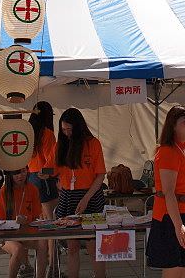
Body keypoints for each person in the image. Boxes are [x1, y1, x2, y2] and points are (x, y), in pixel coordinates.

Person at [146, 104, 185, 277]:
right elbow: (168, 193)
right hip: (170, 217)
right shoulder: (168, 151)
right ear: (173, 125)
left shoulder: (183, 149)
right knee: (174, 270)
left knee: (183, 270)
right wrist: (178, 226)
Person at [53, 108, 106, 278]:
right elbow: (54, 171)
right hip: (68, 197)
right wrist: (50, 177)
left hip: (90, 196)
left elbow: (100, 175)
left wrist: (86, 198)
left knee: (93, 247)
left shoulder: (93, 143)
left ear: (79, 127)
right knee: (72, 247)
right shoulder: (61, 144)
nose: (67, 133)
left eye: (70, 129)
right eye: (64, 130)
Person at [0, 166, 47, 278]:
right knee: (18, 249)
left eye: (23, 172)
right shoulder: (3, 191)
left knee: (43, 242)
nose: (20, 176)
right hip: (6, 236)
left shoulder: (32, 189)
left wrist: (27, 220)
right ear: (10, 175)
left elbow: (36, 216)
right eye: (16, 173)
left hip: (26, 233)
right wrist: (15, 222)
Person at [28, 102, 59, 275]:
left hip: (31, 179)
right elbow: (50, 161)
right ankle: (52, 263)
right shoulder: (48, 134)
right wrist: (52, 175)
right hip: (44, 180)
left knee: (40, 224)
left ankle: (41, 263)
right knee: (51, 224)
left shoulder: (28, 133)